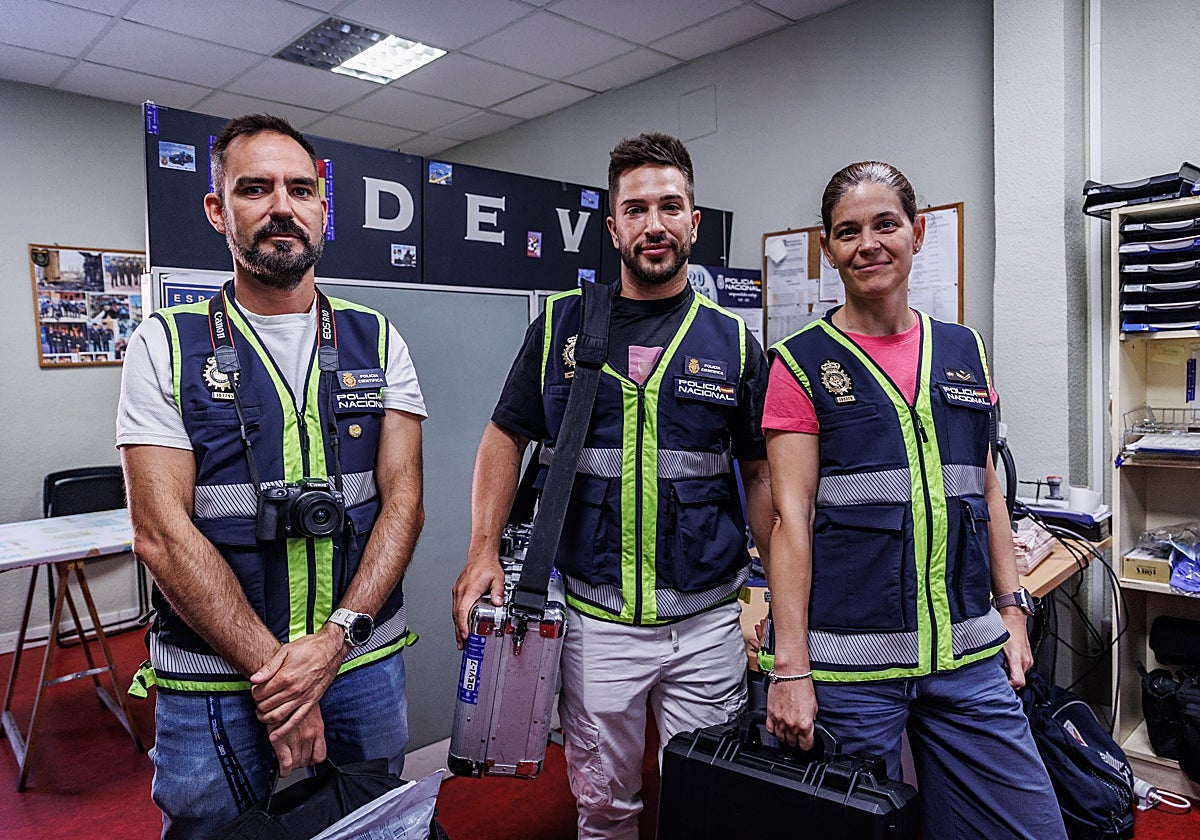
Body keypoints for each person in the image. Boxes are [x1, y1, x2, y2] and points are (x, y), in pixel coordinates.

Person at [452, 132, 772, 839]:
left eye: (670, 206)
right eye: (636, 209)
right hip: (598, 626)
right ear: (613, 227)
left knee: (705, 804)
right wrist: (481, 549)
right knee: (604, 809)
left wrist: (778, 594)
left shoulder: (735, 343)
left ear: (694, 220)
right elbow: (505, 436)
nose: (654, 224)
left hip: (707, 624)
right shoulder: (563, 325)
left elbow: (758, 472)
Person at [116, 114, 427, 840]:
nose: (281, 206)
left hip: (360, 660)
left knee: (375, 826)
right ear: (218, 210)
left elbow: (403, 503)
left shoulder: (377, 339)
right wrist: (283, 677)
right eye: (255, 189)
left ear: (323, 209)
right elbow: (159, 534)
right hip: (213, 680)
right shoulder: (165, 344)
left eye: (301, 189)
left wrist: (332, 646)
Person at [762, 161, 1067, 839]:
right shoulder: (799, 363)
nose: (867, 243)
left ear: (917, 233)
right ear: (828, 247)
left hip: (966, 656)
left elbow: (985, 488)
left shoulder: (966, 351)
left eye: (885, 224)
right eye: (847, 231)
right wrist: (789, 669)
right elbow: (791, 522)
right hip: (851, 668)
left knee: (1031, 828)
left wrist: (1014, 611)